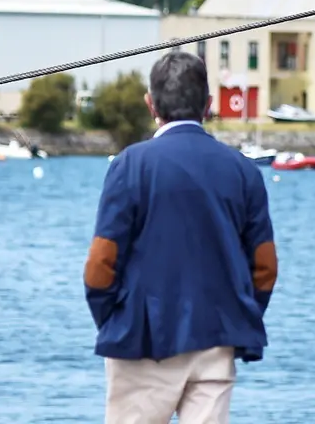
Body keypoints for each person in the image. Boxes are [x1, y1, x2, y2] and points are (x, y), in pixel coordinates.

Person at [83, 51, 278, 423]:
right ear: (208, 105)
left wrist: (113, 318)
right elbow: (265, 267)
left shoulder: (130, 165)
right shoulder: (244, 171)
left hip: (141, 339)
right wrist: (239, 313)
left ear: (150, 104)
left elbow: (100, 264)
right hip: (217, 338)